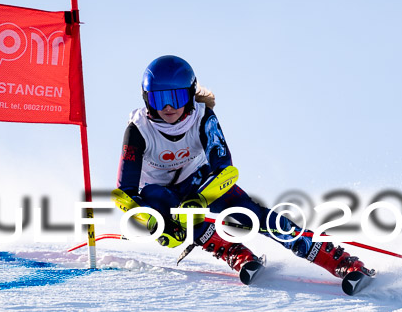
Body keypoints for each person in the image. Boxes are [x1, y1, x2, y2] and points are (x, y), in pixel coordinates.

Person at [112, 55, 373, 284]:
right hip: (162, 196)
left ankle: (337, 260)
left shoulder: (203, 118)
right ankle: (235, 253)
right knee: (172, 206)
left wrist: (200, 198)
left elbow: (225, 170)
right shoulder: (138, 130)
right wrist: (152, 221)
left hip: (201, 184)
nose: (168, 107)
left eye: (175, 97)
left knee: (252, 215)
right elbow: (124, 194)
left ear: (190, 95)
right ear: (147, 99)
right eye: (159, 99)